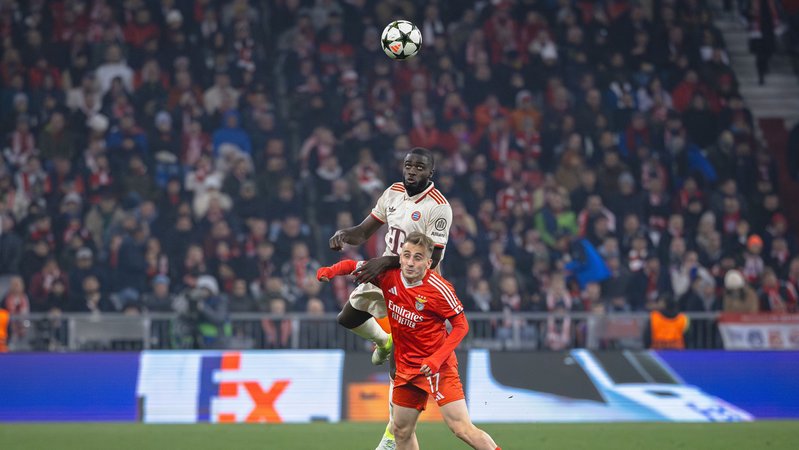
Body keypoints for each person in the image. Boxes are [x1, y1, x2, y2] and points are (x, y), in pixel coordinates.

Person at [318, 232, 500, 450]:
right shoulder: (388, 275)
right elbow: (353, 265)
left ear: (428, 263)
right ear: (400, 256)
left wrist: (436, 359)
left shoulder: (439, 289)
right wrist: (330, 271)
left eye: (417, 257)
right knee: (401, 431)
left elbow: (462, 326)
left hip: (437, 369)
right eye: (406, 255)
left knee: (461, 428)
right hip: (406, 369)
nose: (410, 263)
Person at [328, 147, 452, 450]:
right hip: (385, 273)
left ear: (430, 172)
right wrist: (346, 234)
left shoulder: (439, 207)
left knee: (400, 367)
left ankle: (390, 435)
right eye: (408, 166)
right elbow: (364, 231)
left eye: (419, 168)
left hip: (415, 285)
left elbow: (431, 258)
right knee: (348, 317)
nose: (412, 171)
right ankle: (384, 341)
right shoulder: (394, 192)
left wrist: (385, 262)